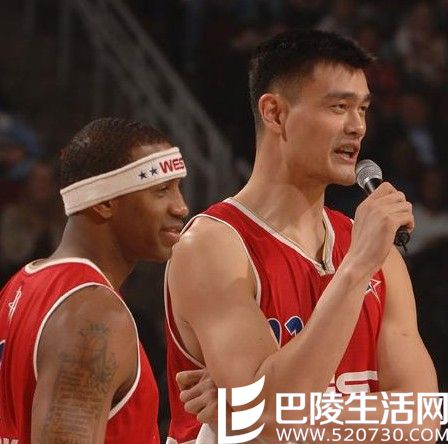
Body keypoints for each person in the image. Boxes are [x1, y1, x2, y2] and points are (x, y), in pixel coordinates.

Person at [165, 29, 439, 443]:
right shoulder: (212, 246)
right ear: (275, 113)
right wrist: (356, 267)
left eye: (363, 109)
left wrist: (271, 414)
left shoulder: (376, 250)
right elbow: (267, 422)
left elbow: (423, 422)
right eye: (339, 107)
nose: (357, 126)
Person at [0, 118, 209, 443]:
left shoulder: (21, 285)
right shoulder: (94, 315)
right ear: (105, 202)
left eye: (178, 187)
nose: (181, 207)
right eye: (161, 190)